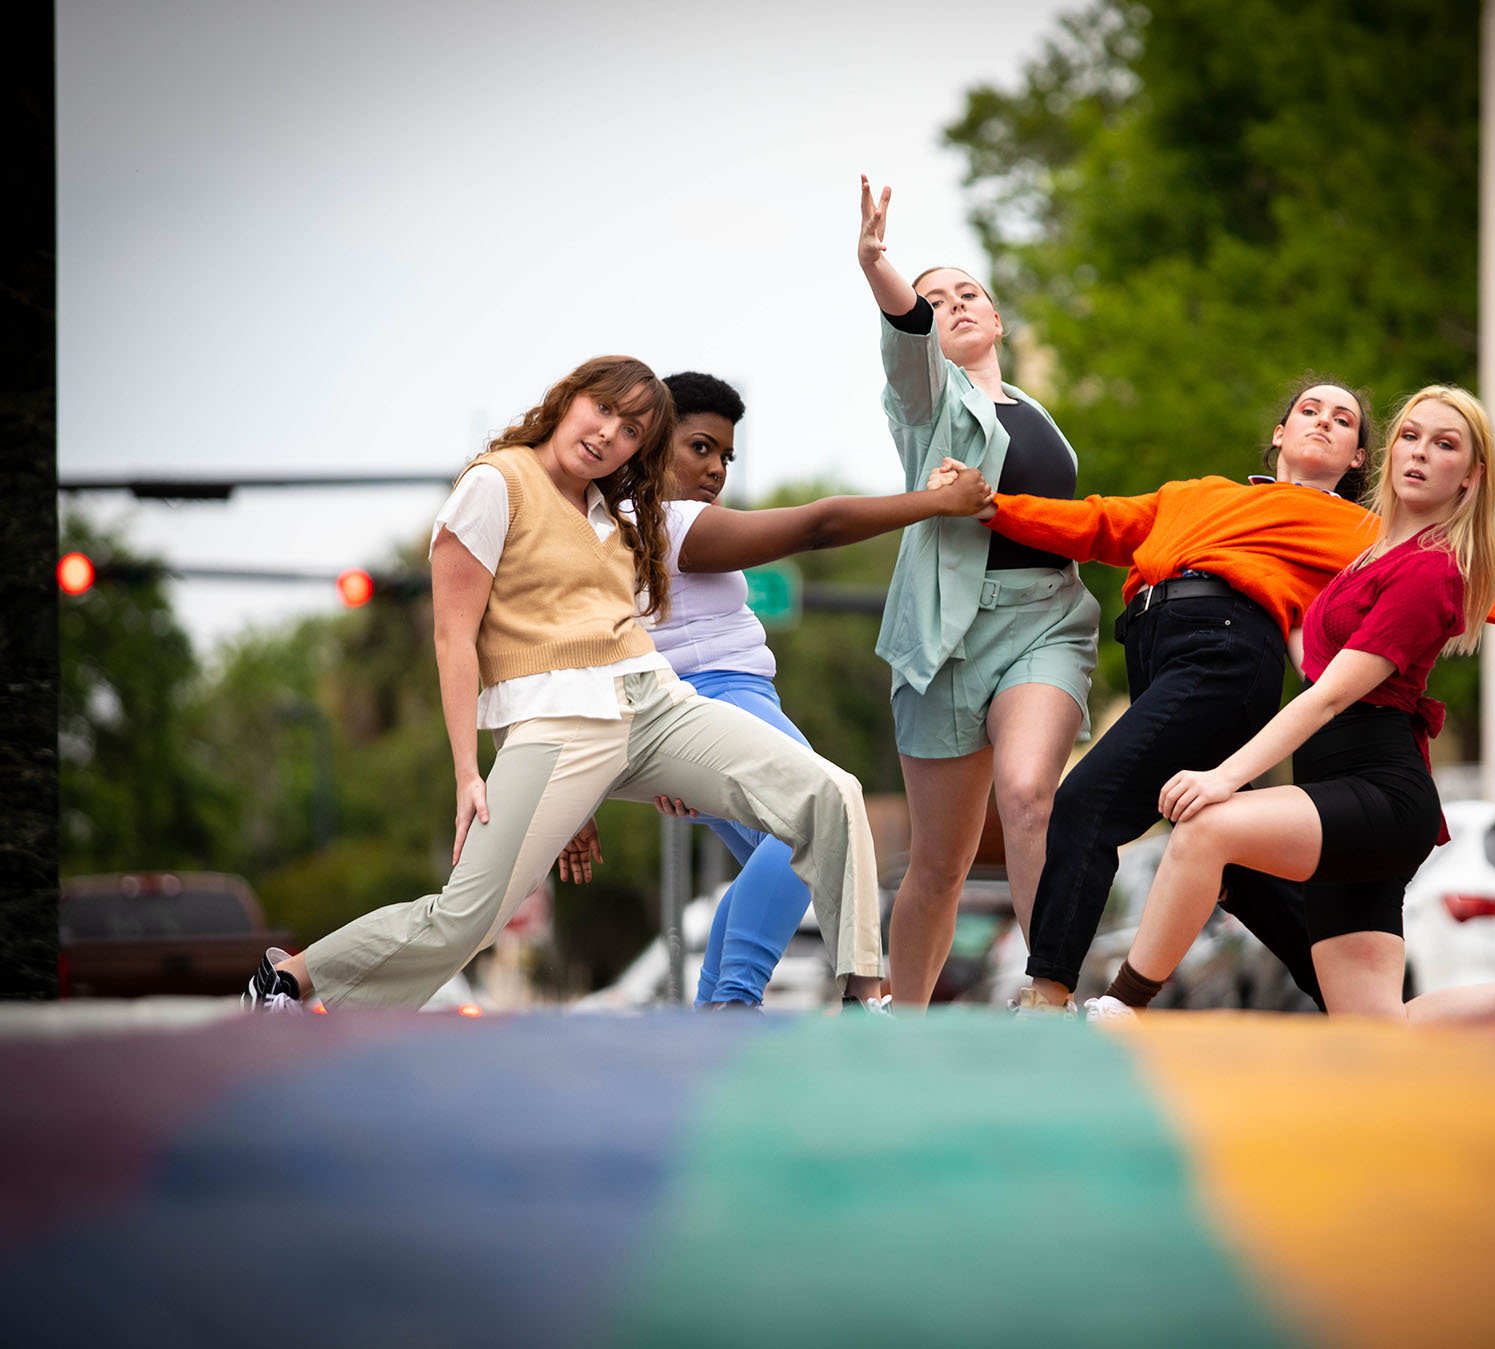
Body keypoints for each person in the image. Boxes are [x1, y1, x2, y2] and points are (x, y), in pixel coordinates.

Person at [932, 374, 1495, 1014]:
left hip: (1225, 654)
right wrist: (991, 505)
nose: (1323, 419)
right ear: (1280, 433)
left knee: (1088, 800)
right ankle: (1363, 1009)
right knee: (1242, 869)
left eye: (1344, 420)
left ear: (1356, 460)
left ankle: (1051, 996)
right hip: (1158, 652)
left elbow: (1489, 582)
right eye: (1310, 410)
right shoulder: (1196, 495)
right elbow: (1092, 523)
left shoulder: (1363, 531)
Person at [241, 357, 888, 1012]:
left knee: (829, 791)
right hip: (558, 725)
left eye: (633, 429)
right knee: (467, 917)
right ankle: (290, 979)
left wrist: (693, 761)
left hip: (657, 705)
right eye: (603, 409)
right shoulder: (497, 484)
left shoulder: (615, 513)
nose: (611, 434)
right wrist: (471, 768)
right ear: (568, 399)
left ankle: (865, 996)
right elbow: (456, 640)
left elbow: (632, 637)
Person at [553, 370, 993, 1007]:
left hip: (696, 714)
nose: (716, 469)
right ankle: (736, 1004)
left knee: (785, 846)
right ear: (647, 446)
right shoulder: (668, 523)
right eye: (699, 446)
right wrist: (934, 503)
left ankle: (716, 1015)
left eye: (725, 455)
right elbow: (820, 526)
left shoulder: (610, 532)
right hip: (718, 701)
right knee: (817, 820)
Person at [857, 176, 1102, 1006]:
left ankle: (1049, 997)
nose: (955, 304)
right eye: (939, 299)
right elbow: (907, 336)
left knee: (1032, 795)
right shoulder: (925, 402)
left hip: (1047, 623)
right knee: (941, 862)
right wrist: (880, 267)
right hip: (949, 641)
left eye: (971, 294)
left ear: (997, 320)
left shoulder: (1038, 411)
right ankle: (905, 1017)